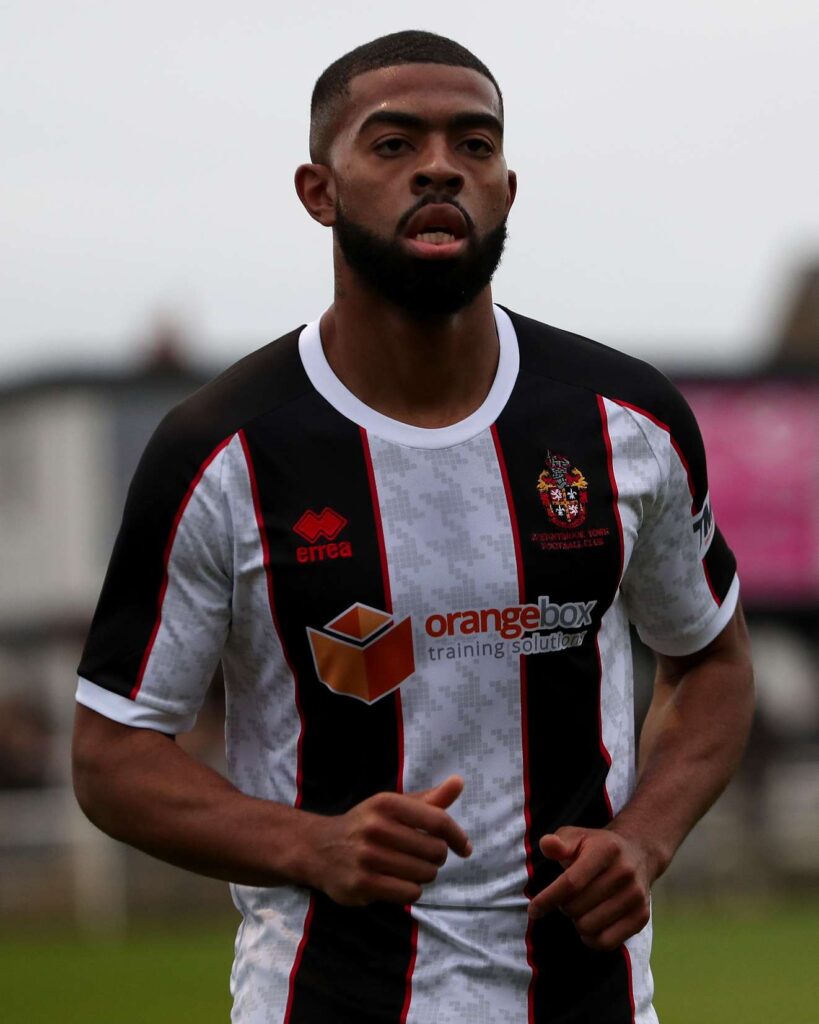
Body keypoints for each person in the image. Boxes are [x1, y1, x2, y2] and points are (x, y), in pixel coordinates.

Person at [72, 30, 754, 1024]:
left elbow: (712, 663)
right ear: (319, 190)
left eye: (474, 145)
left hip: (591, 1000)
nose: (441, 165)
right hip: (323, 998)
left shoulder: (625, 424)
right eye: (394, 144)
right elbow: (111, 753)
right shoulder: (222, 450)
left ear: (507, 190)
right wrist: (313, 844)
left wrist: (645, 837)